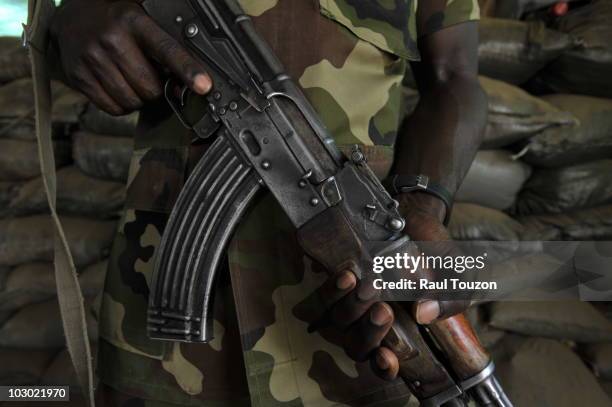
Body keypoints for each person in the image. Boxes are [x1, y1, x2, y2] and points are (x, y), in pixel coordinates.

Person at [48, 0, 486, 405]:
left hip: (345, 326)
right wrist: (70, 17)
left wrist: (423, 206)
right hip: (163, 340)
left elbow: (456, 78)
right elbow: (79, 31)